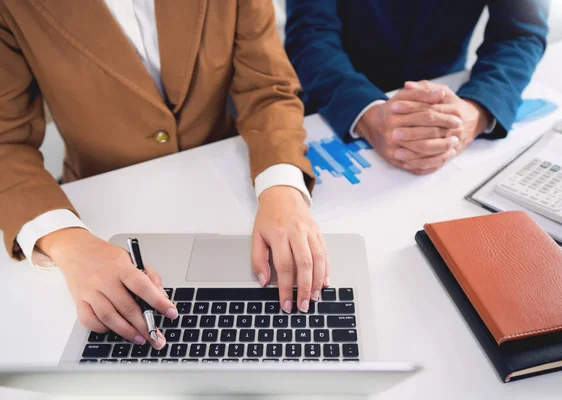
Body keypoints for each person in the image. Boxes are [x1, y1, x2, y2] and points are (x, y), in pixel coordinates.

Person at [0, 0, 328, 350]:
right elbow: (6, 142)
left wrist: (281, 184)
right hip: (98, 209)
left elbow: (267, 88)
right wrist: (67, 242)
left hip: (228, 186)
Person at [285, 0, 550, 175]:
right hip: (334, 95)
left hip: (445, 98)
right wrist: (366, 113)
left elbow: (521, 33)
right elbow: (310, 32)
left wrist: (475, 111)